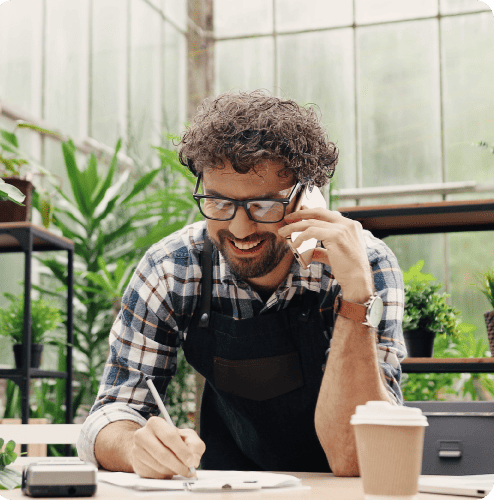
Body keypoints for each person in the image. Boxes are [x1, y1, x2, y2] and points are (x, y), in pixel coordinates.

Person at [77, 90, 406, 478]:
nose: (239, 227)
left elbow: (357, 456)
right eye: (219, 203)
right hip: (226, 486)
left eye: (263, 206)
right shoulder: (172, 268)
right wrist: (135, 446)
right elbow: (111, 412)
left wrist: (355, 298)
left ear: (308, 197)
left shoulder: (365, 266)